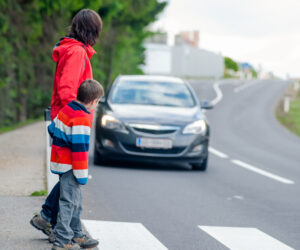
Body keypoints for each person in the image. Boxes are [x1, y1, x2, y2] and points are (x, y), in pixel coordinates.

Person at [30, 8, 102, 242]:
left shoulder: (74, 50)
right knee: (71, 176)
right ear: (92, 31)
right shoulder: (77, 53)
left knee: (68, 175)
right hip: (70, 121)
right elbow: (67, 91)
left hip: (65, 118)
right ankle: (64, 230)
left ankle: (47, 217)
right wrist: (78, 117)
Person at [50, 79, 104, 250]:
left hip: (60, 161)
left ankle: (76, 233)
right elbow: (80, 150)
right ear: (93, 101)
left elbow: (52, 128)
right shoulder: (81, 118)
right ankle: (62, 240)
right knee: (68, 201)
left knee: (76, 200)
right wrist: (81, 175)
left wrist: (63, 138)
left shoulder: (67, 109)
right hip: (71, 166)